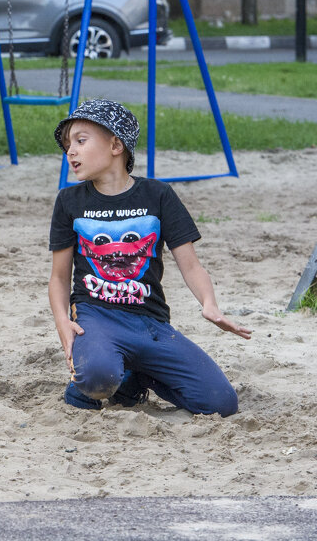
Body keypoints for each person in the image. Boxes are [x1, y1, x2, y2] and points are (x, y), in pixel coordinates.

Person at [48, 99, 251, 416]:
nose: (70, 151)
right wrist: (63, 322)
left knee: (220, 403)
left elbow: (192, 265)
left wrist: (210, 304)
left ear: (116, 145)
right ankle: (110, 376)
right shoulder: (69, 201)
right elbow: (59, 277)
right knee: (97, 378)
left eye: (80, 140)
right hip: (96, 317)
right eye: (67, 144)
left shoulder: (158, 195)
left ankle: (135, 375)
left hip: (150, 322)